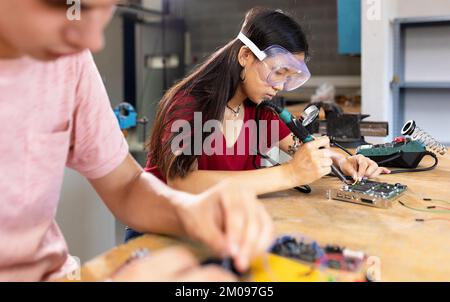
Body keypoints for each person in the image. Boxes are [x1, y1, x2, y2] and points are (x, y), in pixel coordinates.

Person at [0, 0, 273, 281]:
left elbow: (125, 184)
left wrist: (187, 211)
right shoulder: (190, 102)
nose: (93, 41)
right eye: (66, 4)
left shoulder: (68, 59)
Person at [145, 7, 391, 196]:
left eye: (288, 78)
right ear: (245, 56)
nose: (279, 86)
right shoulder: (189, 103)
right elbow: (182, 183)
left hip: (214, 224)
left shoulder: (260, 110)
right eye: (277, 72)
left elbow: (299, 146)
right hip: (159, 232)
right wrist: (290, 173)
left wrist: (343, 161)